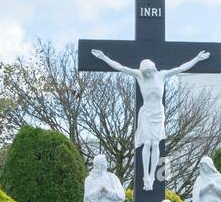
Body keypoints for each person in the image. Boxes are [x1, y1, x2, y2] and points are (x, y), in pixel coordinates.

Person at [89, 48, 210, 189]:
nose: (146, 75)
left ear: (153, 69)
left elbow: (181, 68)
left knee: (155, 144)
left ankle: (152, 176)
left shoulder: (162, 76)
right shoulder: (140, 76)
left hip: (158, 114)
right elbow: (121, 67)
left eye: (148, 72)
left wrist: (197, 58)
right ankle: (146, 176)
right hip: (146, 113)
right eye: (144, 73)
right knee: (147, 143)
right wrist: (104, 57)